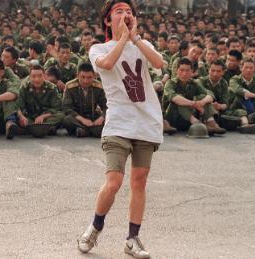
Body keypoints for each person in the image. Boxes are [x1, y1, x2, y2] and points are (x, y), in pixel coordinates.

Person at [77, 1, 164, 258]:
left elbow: (159, 63)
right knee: (114, 181)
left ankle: (132, 238)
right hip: (118, 123)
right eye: (119, 11)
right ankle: (94, 228)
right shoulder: (98, 48)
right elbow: (105, 64)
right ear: (107, 20)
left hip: (147, 123)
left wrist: (134, 39)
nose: (125, 15)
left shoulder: (142, 45)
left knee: (139, 181)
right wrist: (122, 39)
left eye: (129, 12)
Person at [62, 63, 107, 137]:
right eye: (83, 77)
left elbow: (107, 106)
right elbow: (66, 108)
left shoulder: (99, 86)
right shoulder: (70, 86)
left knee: (108, 120)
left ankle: (84, 131)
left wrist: (101, 118)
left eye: (89, 77)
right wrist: (83, 120)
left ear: (94, 76)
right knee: (66, 120)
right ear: (77, 76)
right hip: (77, 118)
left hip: (93, 118)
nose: (86, 81)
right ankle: (91, 131)